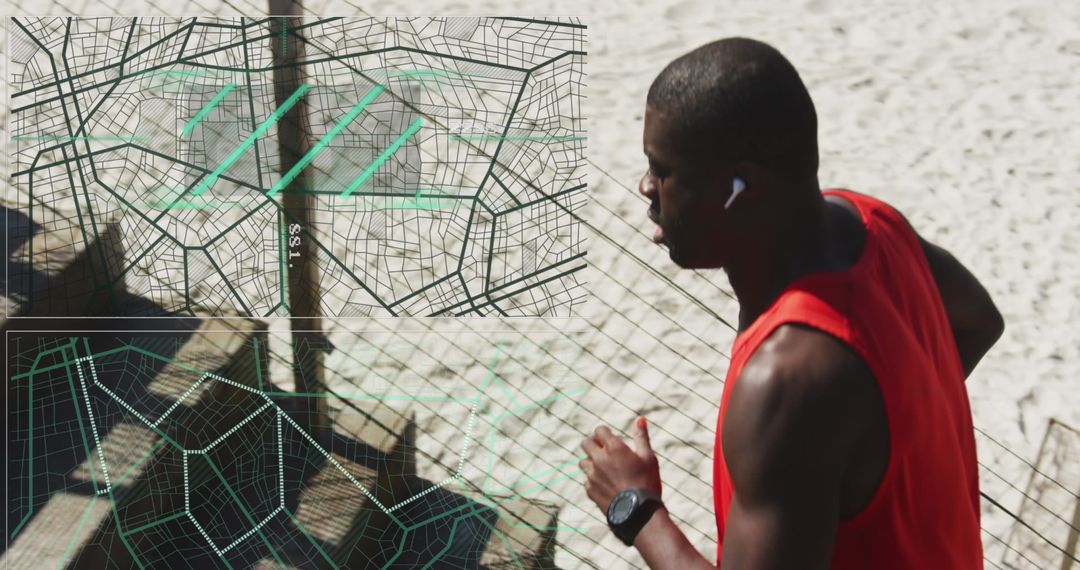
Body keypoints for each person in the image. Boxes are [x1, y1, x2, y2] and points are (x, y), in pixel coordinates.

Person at [579, 37, 1004, 569]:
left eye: (662, 168)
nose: (646, 186)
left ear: (741, 188)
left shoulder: (787, 382)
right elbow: (980, 321)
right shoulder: (879, 228)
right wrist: (882, 442)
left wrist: (634, 506)